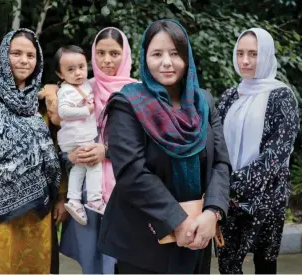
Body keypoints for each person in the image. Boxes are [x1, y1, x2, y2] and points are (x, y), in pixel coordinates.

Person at [98, 19, 231, 274]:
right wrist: (177, 222)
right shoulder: (128, 104)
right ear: (144, 57)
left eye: (175, 53)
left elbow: (220, 163)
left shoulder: (204, 102)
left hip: (197, 235)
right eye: (157, 54)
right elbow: (131, 172)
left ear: (187, 57)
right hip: (144, 241)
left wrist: (212, 213)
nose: (167, 62)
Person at [0, 28, 67, 274]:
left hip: (39, 212)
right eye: (16, 53)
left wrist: (61, 196)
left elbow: (56, 151)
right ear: (4, 55)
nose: (24, 60)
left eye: (30, 55)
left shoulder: (42, 103)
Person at [217, 28, 300, 274]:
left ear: (266, 56)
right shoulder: (231, 96)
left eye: (253, 54)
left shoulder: (282, 97)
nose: (245, 60)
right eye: (240, 53)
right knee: (228, 264)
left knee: (264, 263)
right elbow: (216, 143)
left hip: (267, 194)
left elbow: (277, 153)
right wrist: (220, 185)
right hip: (229, 198)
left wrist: (235, 184)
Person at [58, 27, 138, 274]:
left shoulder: (139, 92)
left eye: (114, 53)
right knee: (92, 258)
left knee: (125, 260)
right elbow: (65, 133)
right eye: (100, 53)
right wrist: (69, 156)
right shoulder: (82, 89)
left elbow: (145, 144)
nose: (106, 60)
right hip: (89, 191)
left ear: (125, 55)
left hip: (126, 189)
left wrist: (107, 151)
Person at [54, 45, 106, 225]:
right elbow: (64, 112)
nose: (78, 73)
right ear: (60, 75)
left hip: (74, 137)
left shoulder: (83, 84)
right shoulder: (66, 90)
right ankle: (94, 200)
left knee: (80, 167)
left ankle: (74, 201)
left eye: (81, 67)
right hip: (77, 136)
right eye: (70, 69)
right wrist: (86, 110)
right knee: (94, 163)